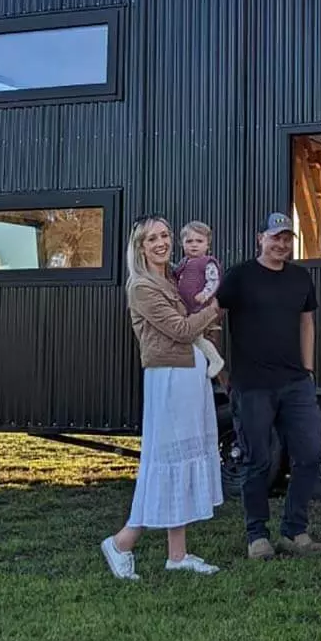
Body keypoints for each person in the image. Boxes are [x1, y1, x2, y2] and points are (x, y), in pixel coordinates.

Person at [100, 215, 224, 580]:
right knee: (164, 463)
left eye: (166, 235)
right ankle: (122, 542)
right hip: (169, 379)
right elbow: (181, 329)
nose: (161, 243)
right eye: (152, 238)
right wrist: (216, 307)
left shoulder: (172, 277)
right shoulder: (142, 287)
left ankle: (177, 554)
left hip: (188, 376)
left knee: (182, 459)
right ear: (140, 246)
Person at [216, 211, 321, 560]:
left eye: (286, 238)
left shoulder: (300, 278)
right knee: (257, 460)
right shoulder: (239, 277)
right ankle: (257, 536)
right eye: (275, 237)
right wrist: (220, 370)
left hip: (296, 383)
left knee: (309, 454)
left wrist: (308, 369)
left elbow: (307, 323)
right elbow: (212, 321)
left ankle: (294, 531)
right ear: (259, 238)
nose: (281, 244)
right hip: (252, 386)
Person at [172, 220, 226, 381]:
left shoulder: (207, 262)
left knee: (198, 338)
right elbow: (175, 275)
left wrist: (205, 294)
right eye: (189, 241)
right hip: (187, 308)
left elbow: (213, 281)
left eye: (199, 241)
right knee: (193, 339)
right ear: (182, 243)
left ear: (207, 244)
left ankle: (215, 360)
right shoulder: (183, 263)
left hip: (202, 307)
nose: (194, 245)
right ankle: (202, 364)